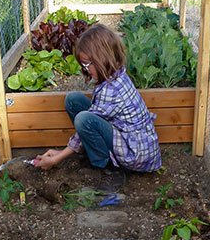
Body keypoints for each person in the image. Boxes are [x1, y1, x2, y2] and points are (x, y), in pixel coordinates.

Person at [33, 23, 162, 187]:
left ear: (102, 59)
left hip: (135, 153)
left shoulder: (112, 90)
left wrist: (58, 158)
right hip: (127, 137)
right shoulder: (114, 74)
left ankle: (108, 169)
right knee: (74, 100)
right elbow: (97, 114)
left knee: (83, 119)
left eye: (88, 64)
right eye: (83, 65)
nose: (86, 69)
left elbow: (88, 121)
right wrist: (64, 151)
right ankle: (94, 152)